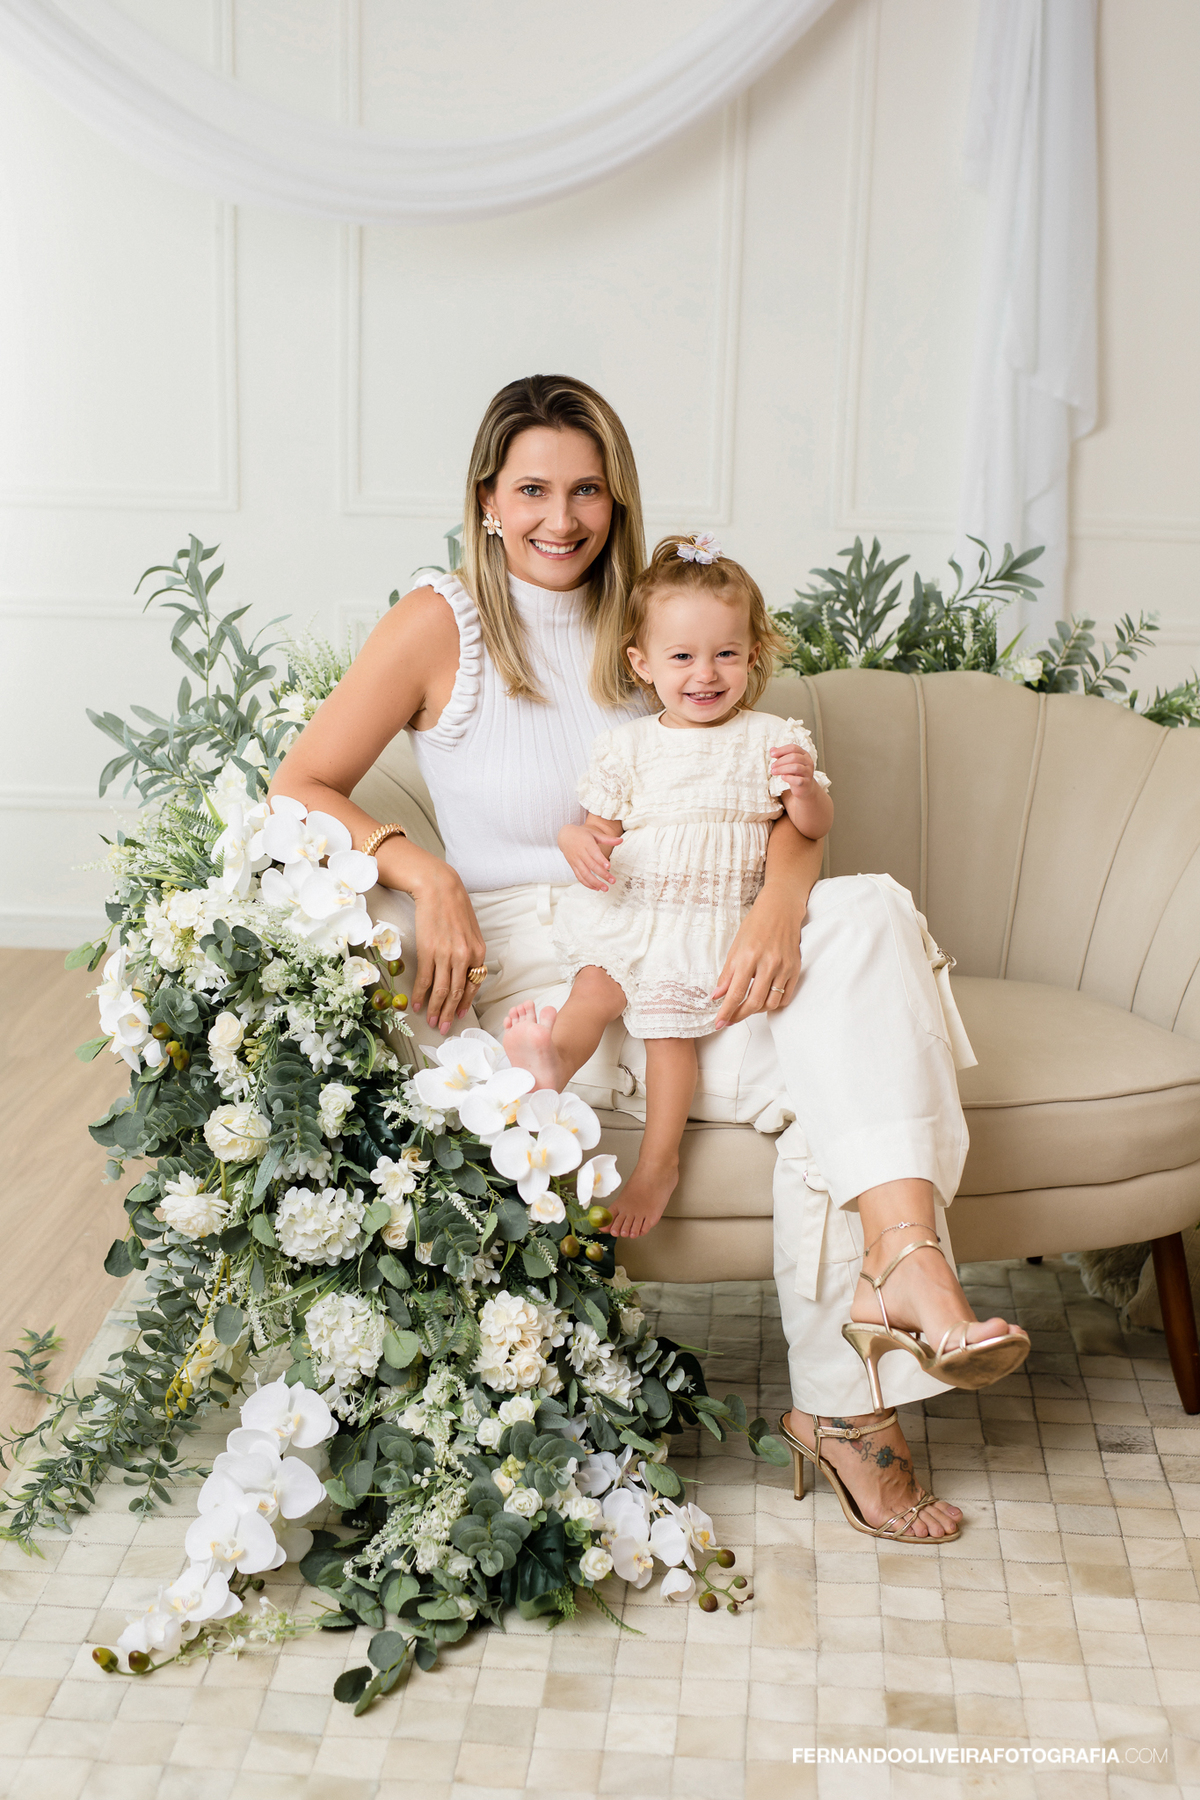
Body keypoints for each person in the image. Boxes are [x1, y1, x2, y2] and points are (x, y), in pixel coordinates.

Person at [270, 371, 1029, 1543]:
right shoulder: (444, 622)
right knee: (848, 1063)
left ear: (619, 502)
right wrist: (420, 872)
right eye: (531, 489)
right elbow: (299, 784)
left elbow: (761, 806)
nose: (559, 519)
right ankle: (858, 1415)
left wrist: (786, 900)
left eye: (587, 490)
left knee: (867, 913)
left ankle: (900, 1262)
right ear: (485, 498)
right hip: (557, 953)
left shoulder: (664, 618)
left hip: (708, 921)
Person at [501, 533, 834, 1244]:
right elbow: (597, 829)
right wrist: (575, 843)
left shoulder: (771, 738)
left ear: (753, 656)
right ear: (642, 664)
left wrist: (804, 789)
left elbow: (810, 825)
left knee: (665, 1032)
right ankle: (547, 1065)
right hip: (630, 904)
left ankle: (657, 1164)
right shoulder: (626, 746)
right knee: (592, 990)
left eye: (725, 654)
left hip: (702, 919)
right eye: (682, 656)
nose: (704, 674)